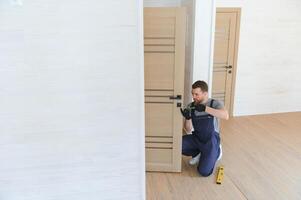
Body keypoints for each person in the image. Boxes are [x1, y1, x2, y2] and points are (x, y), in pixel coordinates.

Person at [181, 80, 229, 176]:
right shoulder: (191, 106)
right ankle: (198, 153)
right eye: (192, 94)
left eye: (196, 94)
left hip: (211, 140)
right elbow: (188, 129)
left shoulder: (214, 103)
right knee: (177, 145)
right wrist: (188, 118)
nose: (193, 97)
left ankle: (217, 152)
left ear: (205, 93)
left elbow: (225, 116)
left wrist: (205, 109)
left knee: (204, 172)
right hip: (197, 138)